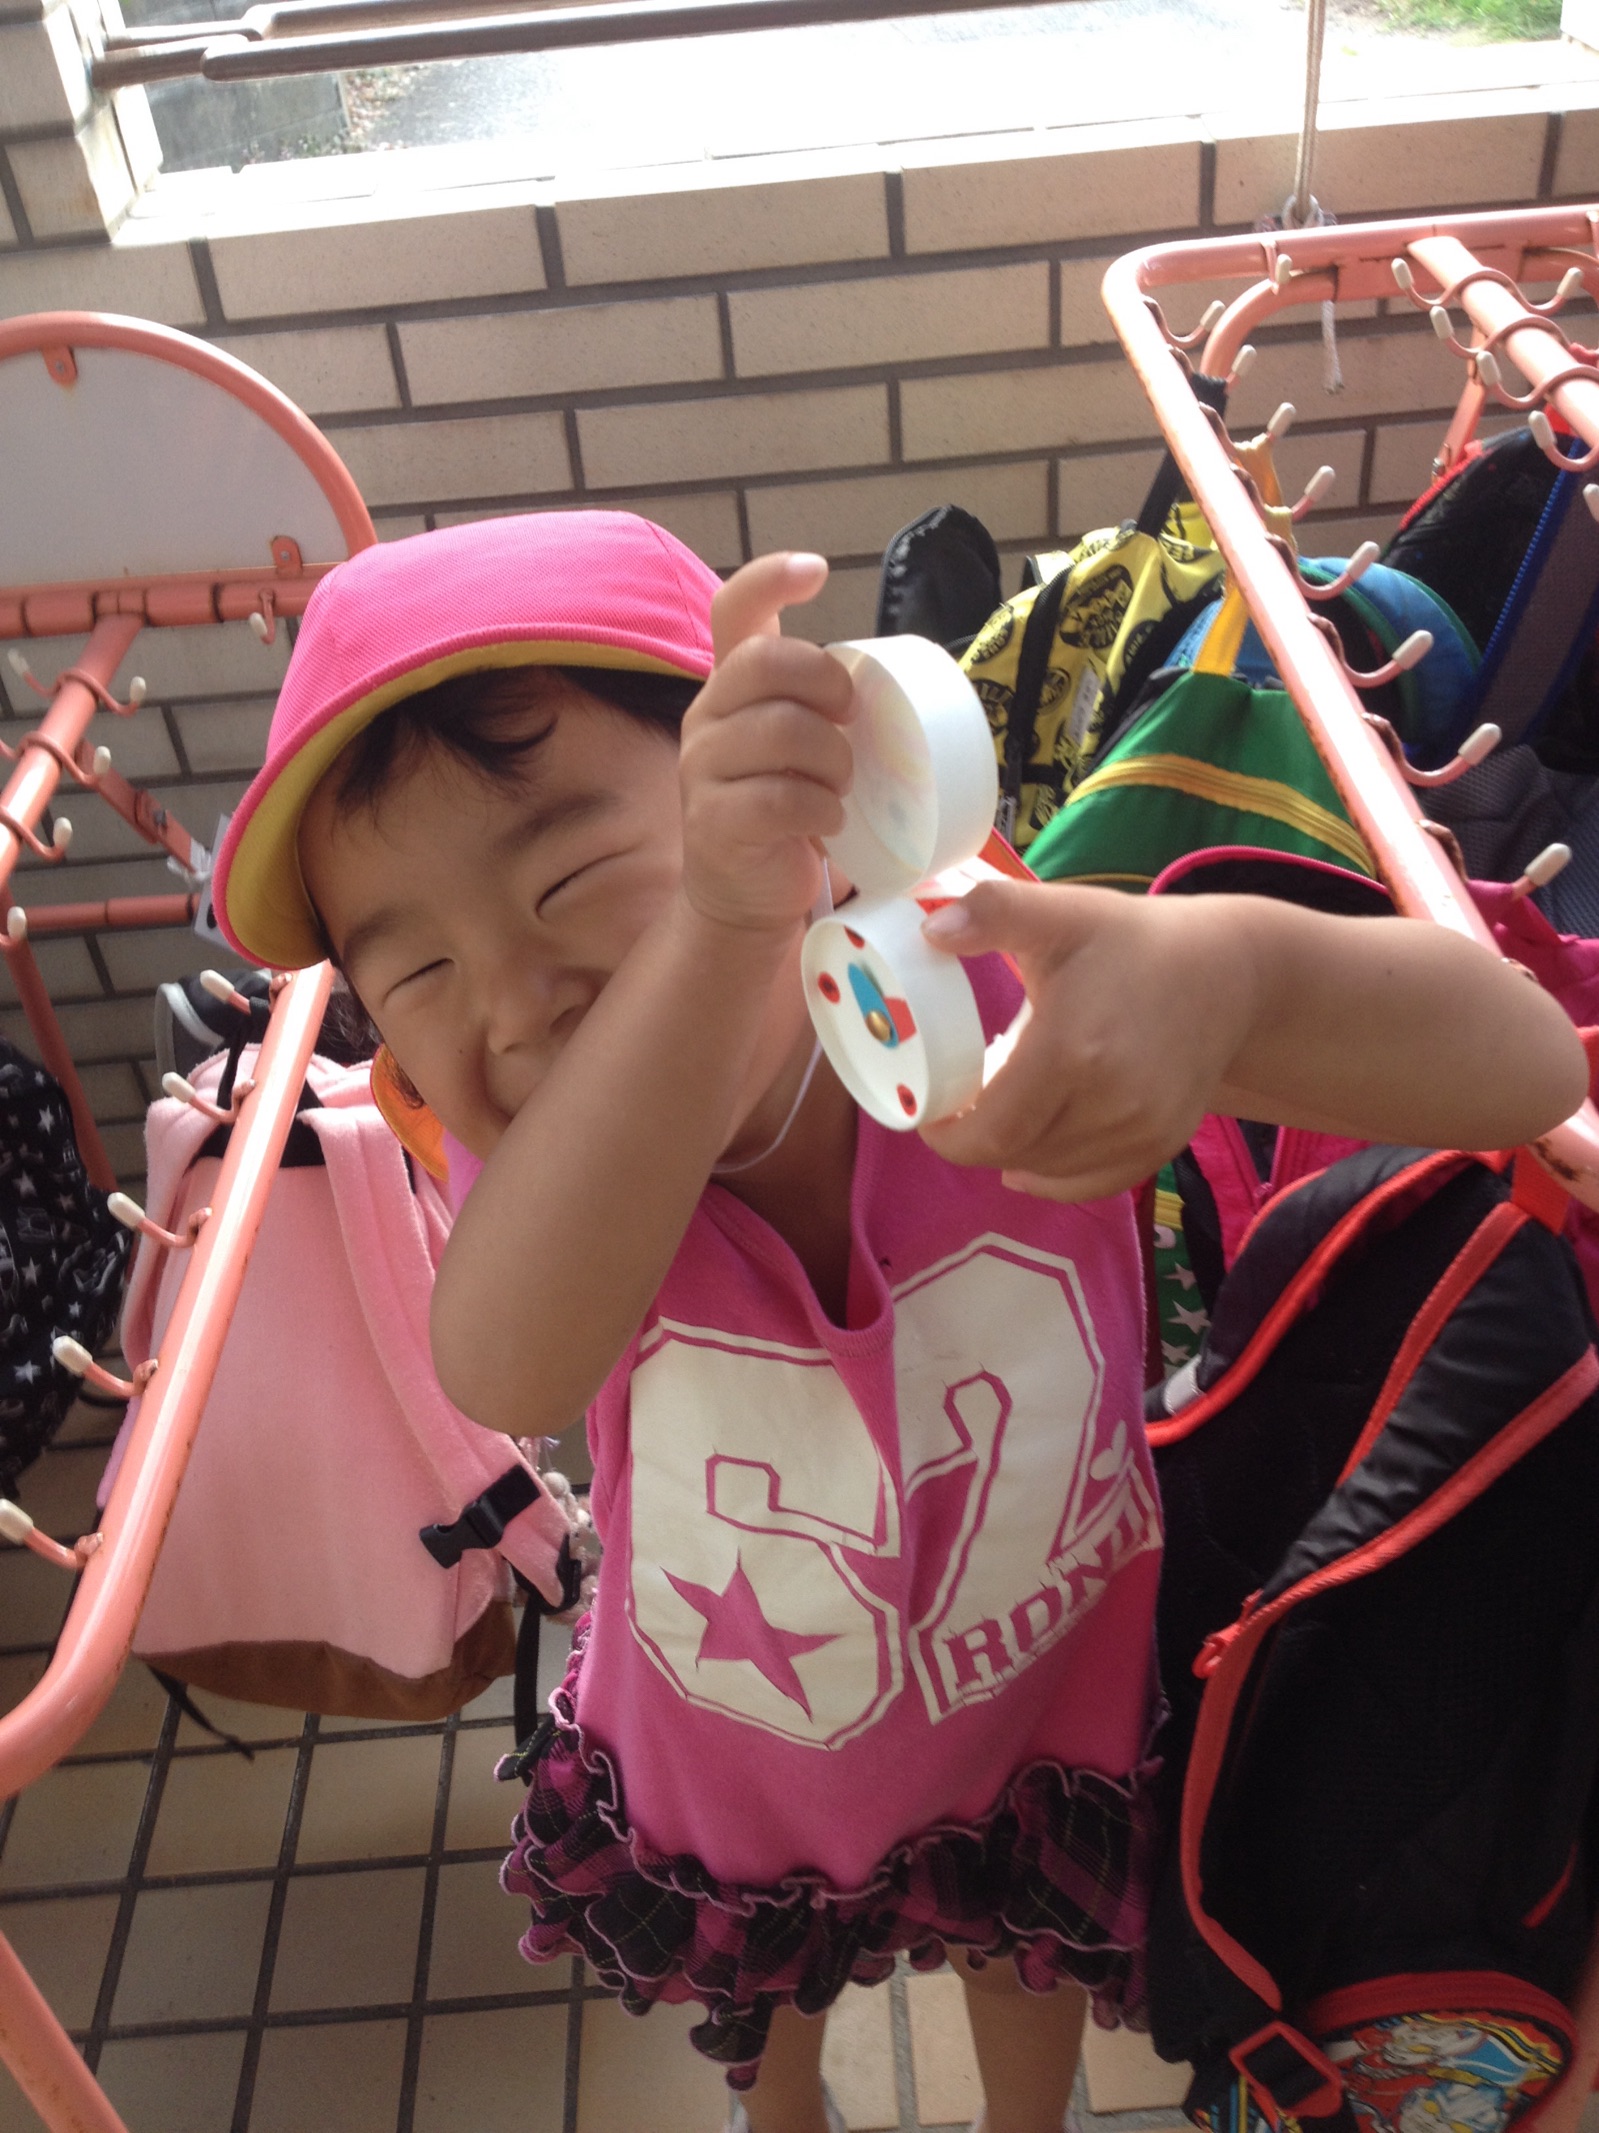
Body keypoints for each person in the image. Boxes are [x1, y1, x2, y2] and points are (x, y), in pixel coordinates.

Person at [213, 511, 1587, 2133]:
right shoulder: (565, 1181)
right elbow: (506, 1360)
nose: (513, 1002)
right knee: (768, 1999)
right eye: (421, 971)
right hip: (738, 1767)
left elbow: (1527, 1069)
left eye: (569, 877)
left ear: (820, 799)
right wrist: (712, 932)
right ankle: (784, 2114)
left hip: (1040, 1722)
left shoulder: (999, 991)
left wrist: (1238, 977)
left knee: (1024, 1961)